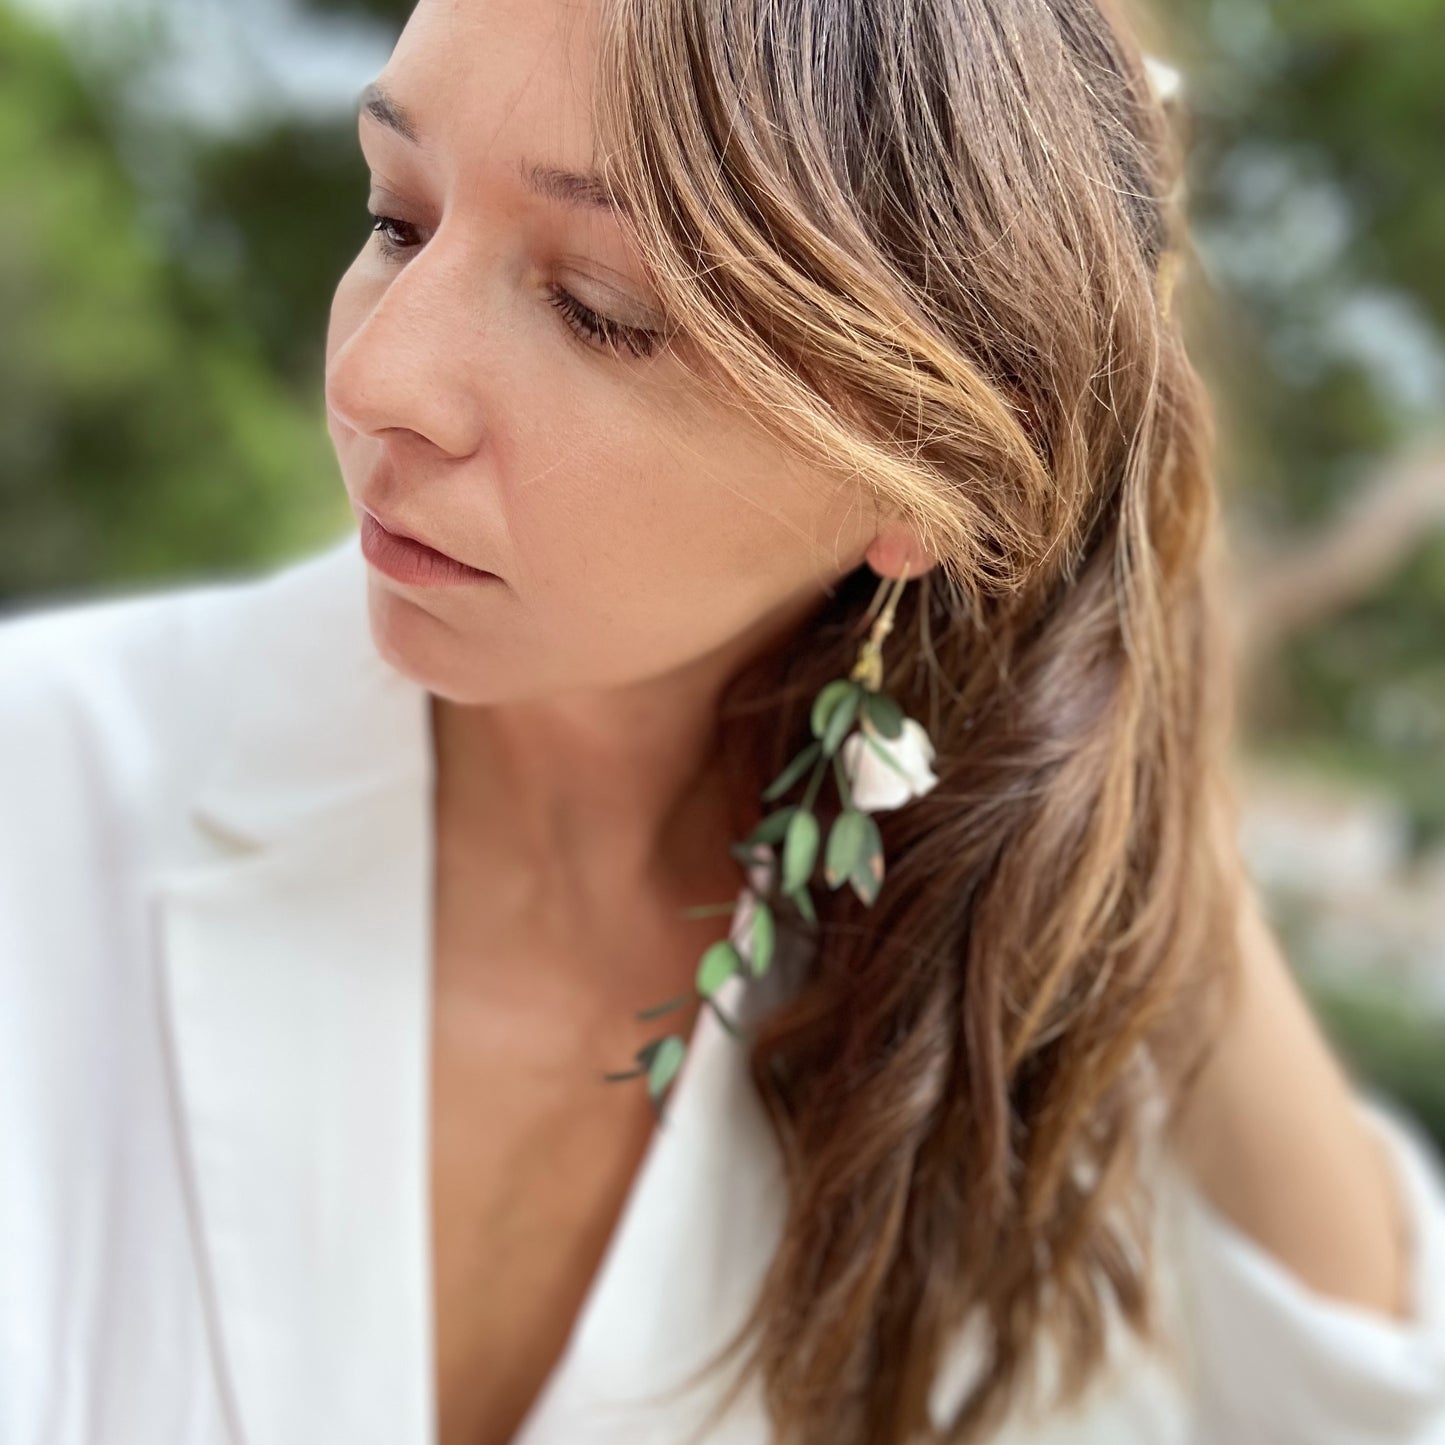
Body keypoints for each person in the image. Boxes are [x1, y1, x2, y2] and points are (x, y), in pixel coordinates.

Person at [2, 0, 1444, 1442]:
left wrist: (1131, 701)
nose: (377, 378)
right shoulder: (44, 778)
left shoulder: (993, 1014)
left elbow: (1360, 1400)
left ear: (922, 466)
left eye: (598, 311)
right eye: (396, 217)